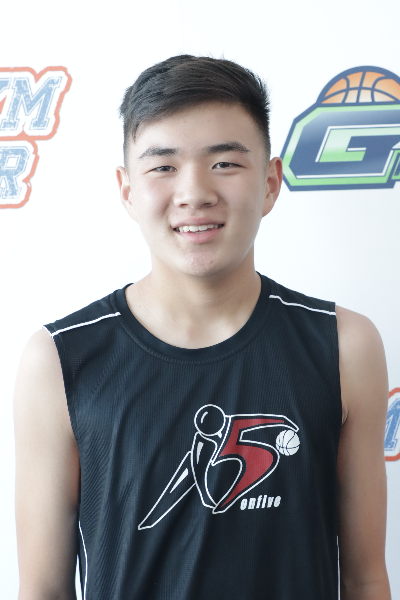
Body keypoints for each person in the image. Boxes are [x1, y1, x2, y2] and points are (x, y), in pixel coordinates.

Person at [14, 55, 391, 600]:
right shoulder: (60, 360)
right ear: (127, 189)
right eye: (163, 167)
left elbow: (364, 578)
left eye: (225, 163)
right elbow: (43, 590)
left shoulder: (343, 346)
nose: (194, 192)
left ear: (270, 182)